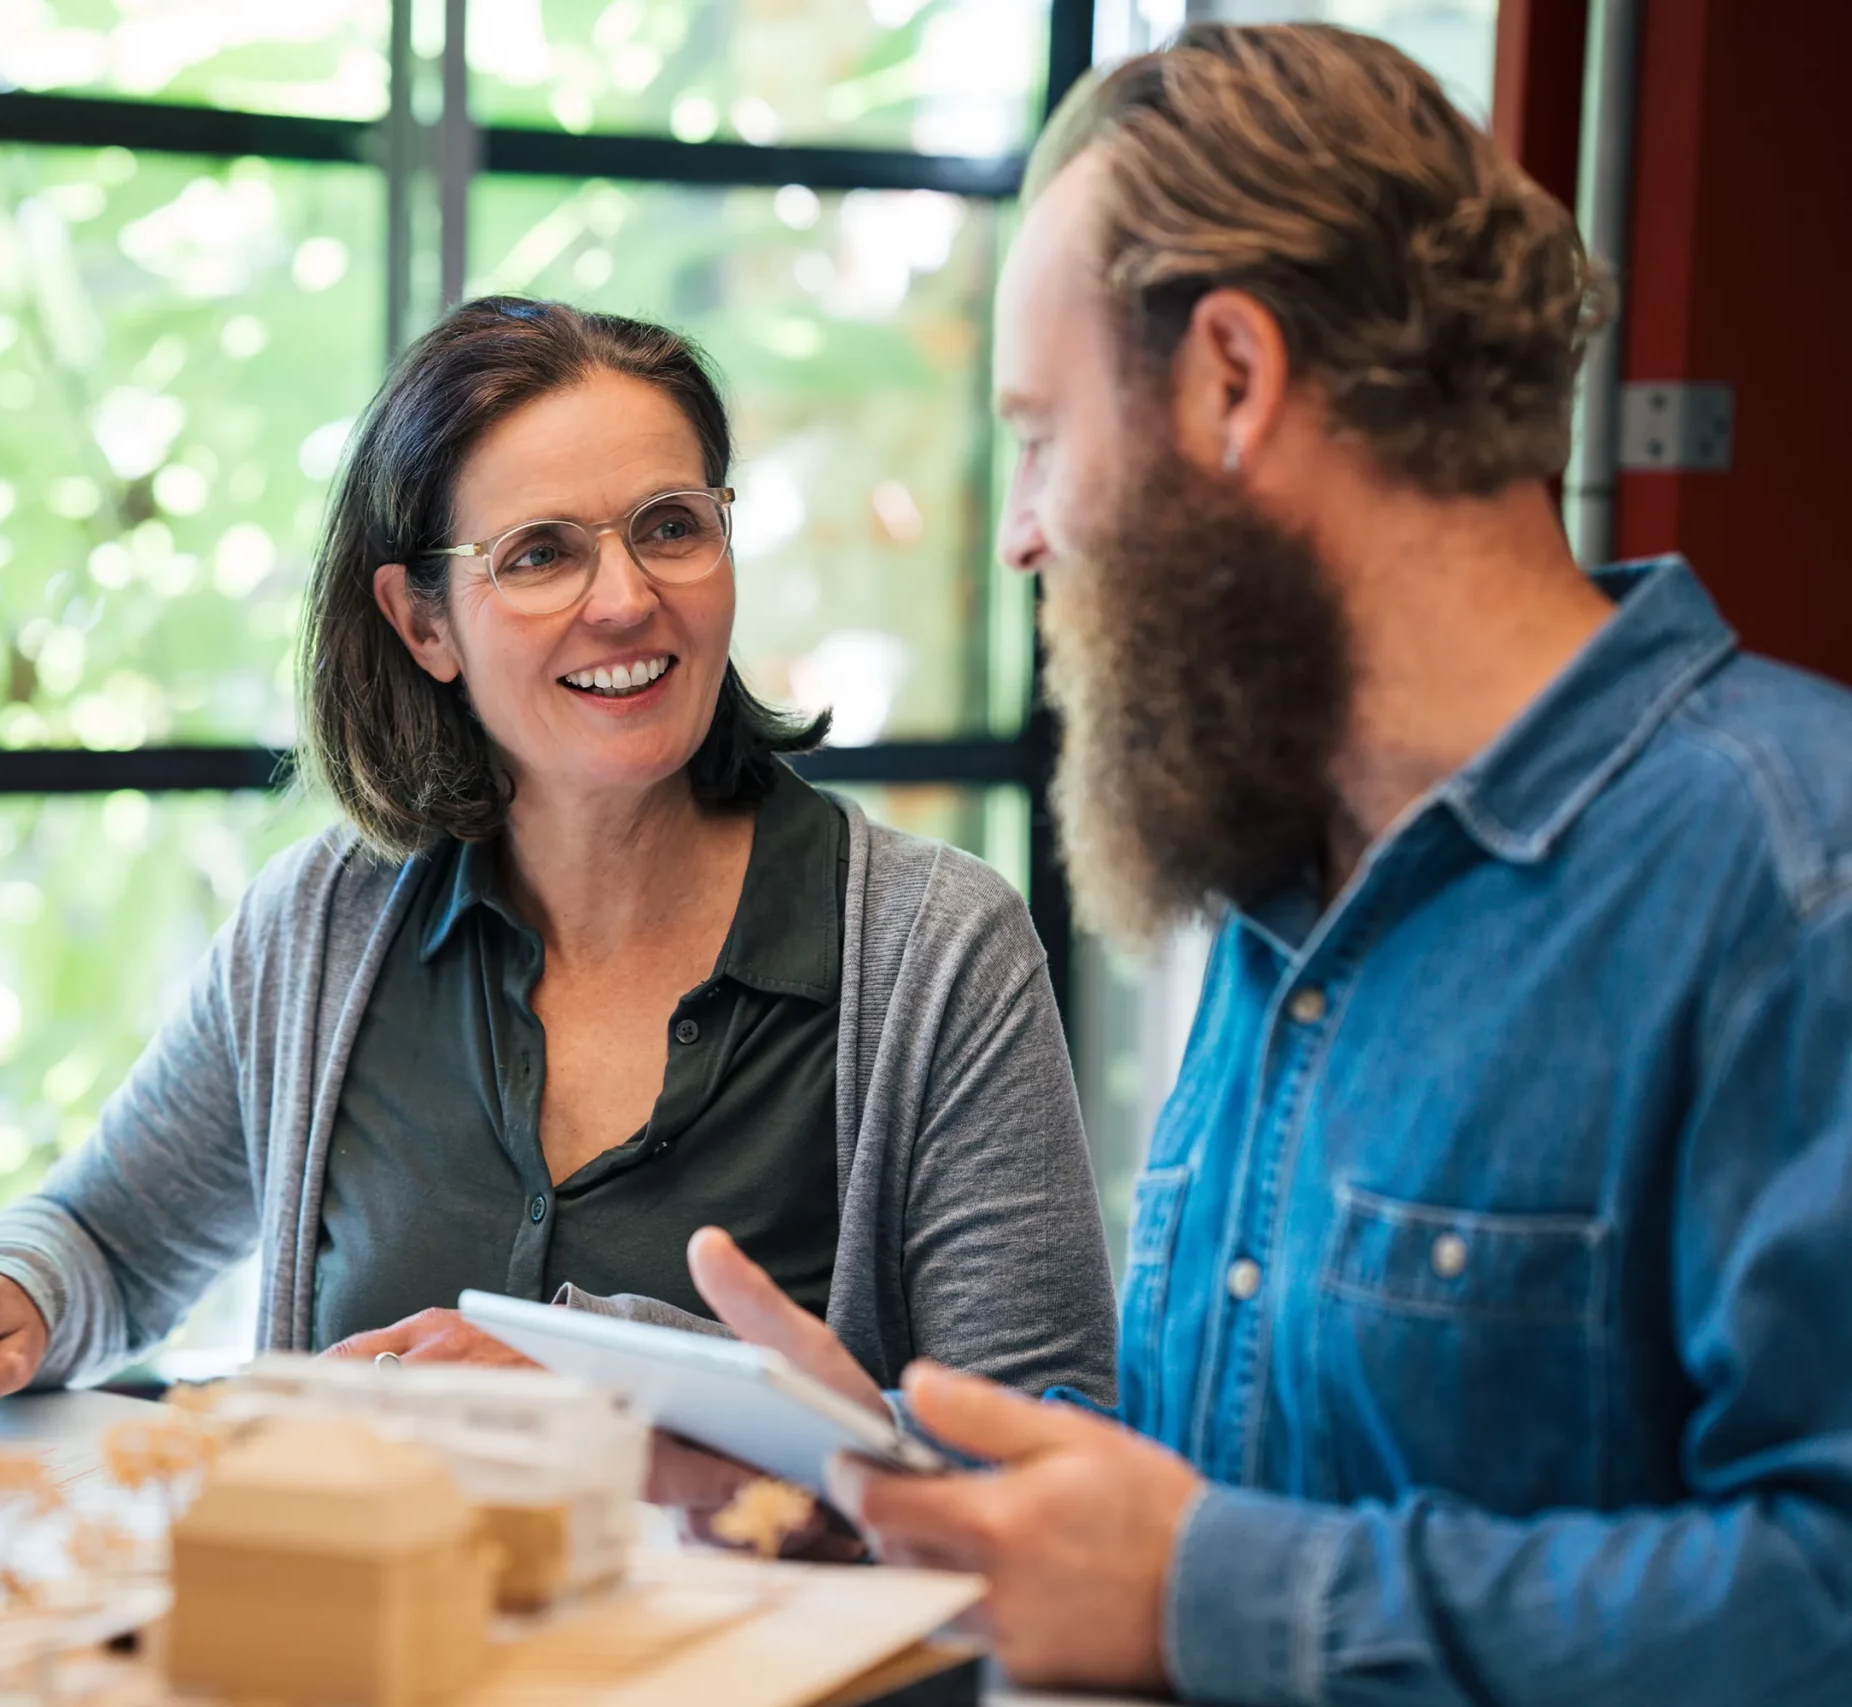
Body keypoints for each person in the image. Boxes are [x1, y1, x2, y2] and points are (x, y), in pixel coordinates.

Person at [686, 22, 1852, 1704]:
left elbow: (1822, 1596)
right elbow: (1209, 1492)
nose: (1022, 528)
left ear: (1233, 378)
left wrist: (1206, 1596)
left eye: (1039, 432)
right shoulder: (1271, 888)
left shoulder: (1788, 877)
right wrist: (897, 1464)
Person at [0, 298, 1119, 1433]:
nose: (623, 598)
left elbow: (1040, 1434)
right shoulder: (319, 928)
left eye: (670, 524)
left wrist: (618, 1383)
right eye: (539, 553)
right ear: (423, 621)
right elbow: (113, 1236)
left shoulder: (937, 949)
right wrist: (4, 1288)